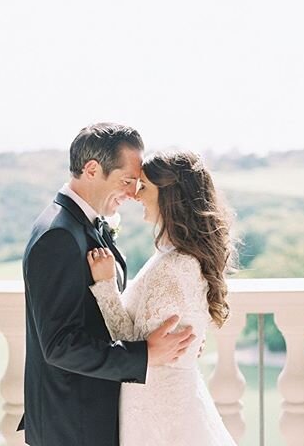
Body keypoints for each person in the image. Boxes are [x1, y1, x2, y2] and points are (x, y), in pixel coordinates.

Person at [19, 123, 196, 446]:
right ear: (91, 169)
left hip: (92, 415)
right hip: (75, 423)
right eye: (126, 181)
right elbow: (60, 345)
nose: (132, 193)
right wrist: (144, 356)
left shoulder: (82, 224)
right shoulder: (58, 236)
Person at [88, 150, 237, 446]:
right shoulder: (178, 257)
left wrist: (105, 286)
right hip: (166, 399)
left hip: (156, 408)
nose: (135, 195)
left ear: (170, 196)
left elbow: (134, 345)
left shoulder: (171, 267)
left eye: (144, 187)